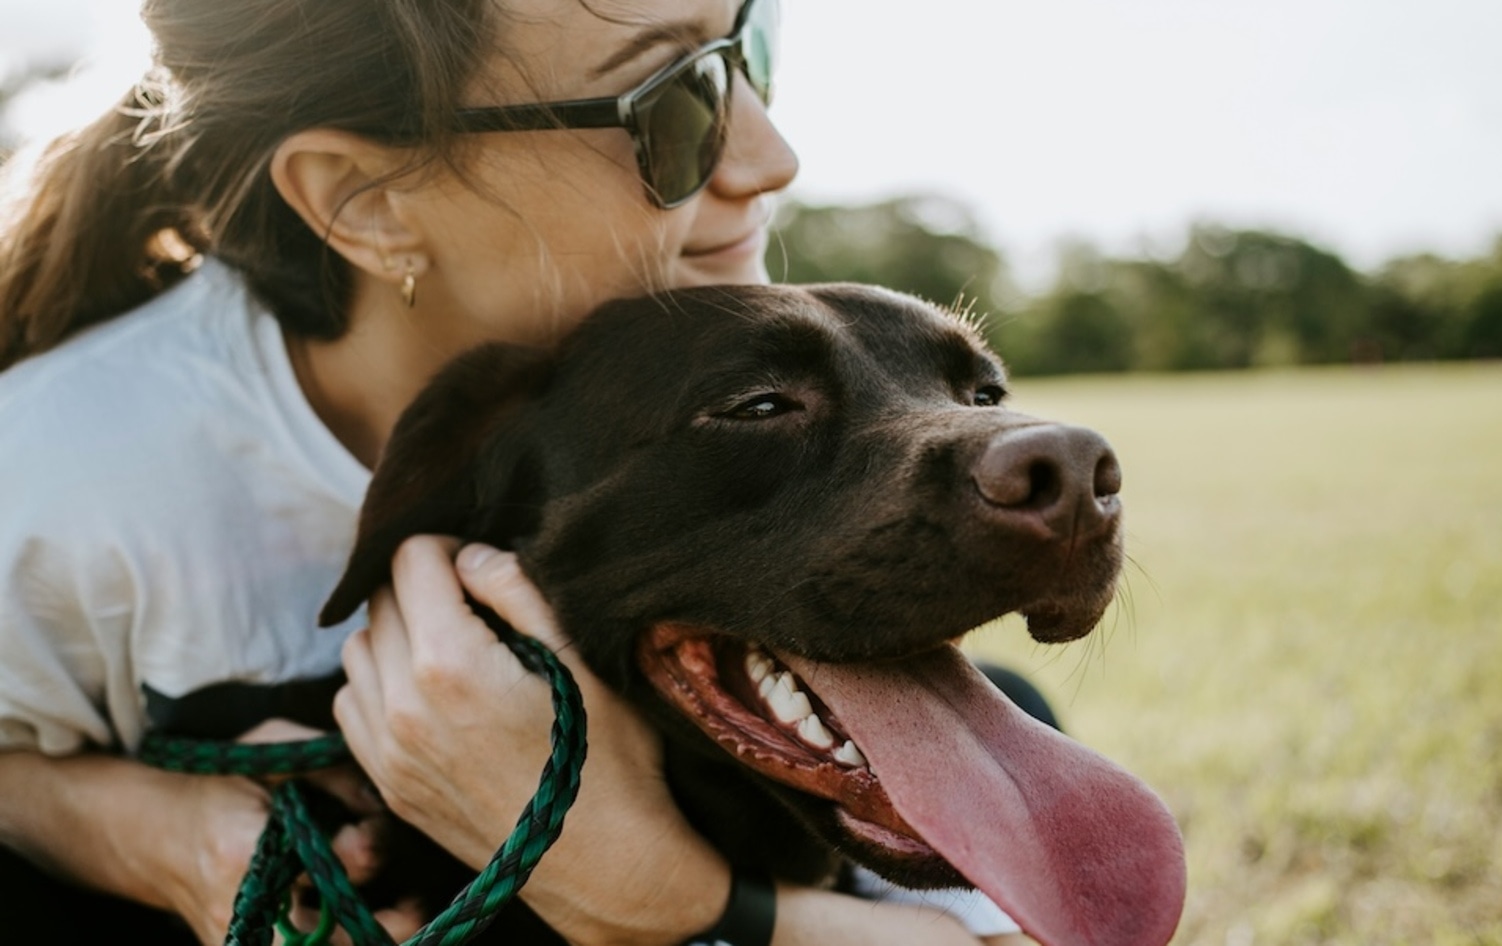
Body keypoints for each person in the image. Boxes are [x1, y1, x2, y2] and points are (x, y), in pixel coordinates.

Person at [0, 0, 1031, 943]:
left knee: (1012, 698)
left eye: (746, 49)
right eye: (674, 102)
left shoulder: (683, 321)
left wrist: (659, 891)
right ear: (367, 201)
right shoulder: (61, 473)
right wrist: (152, 832)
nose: (770, 155)